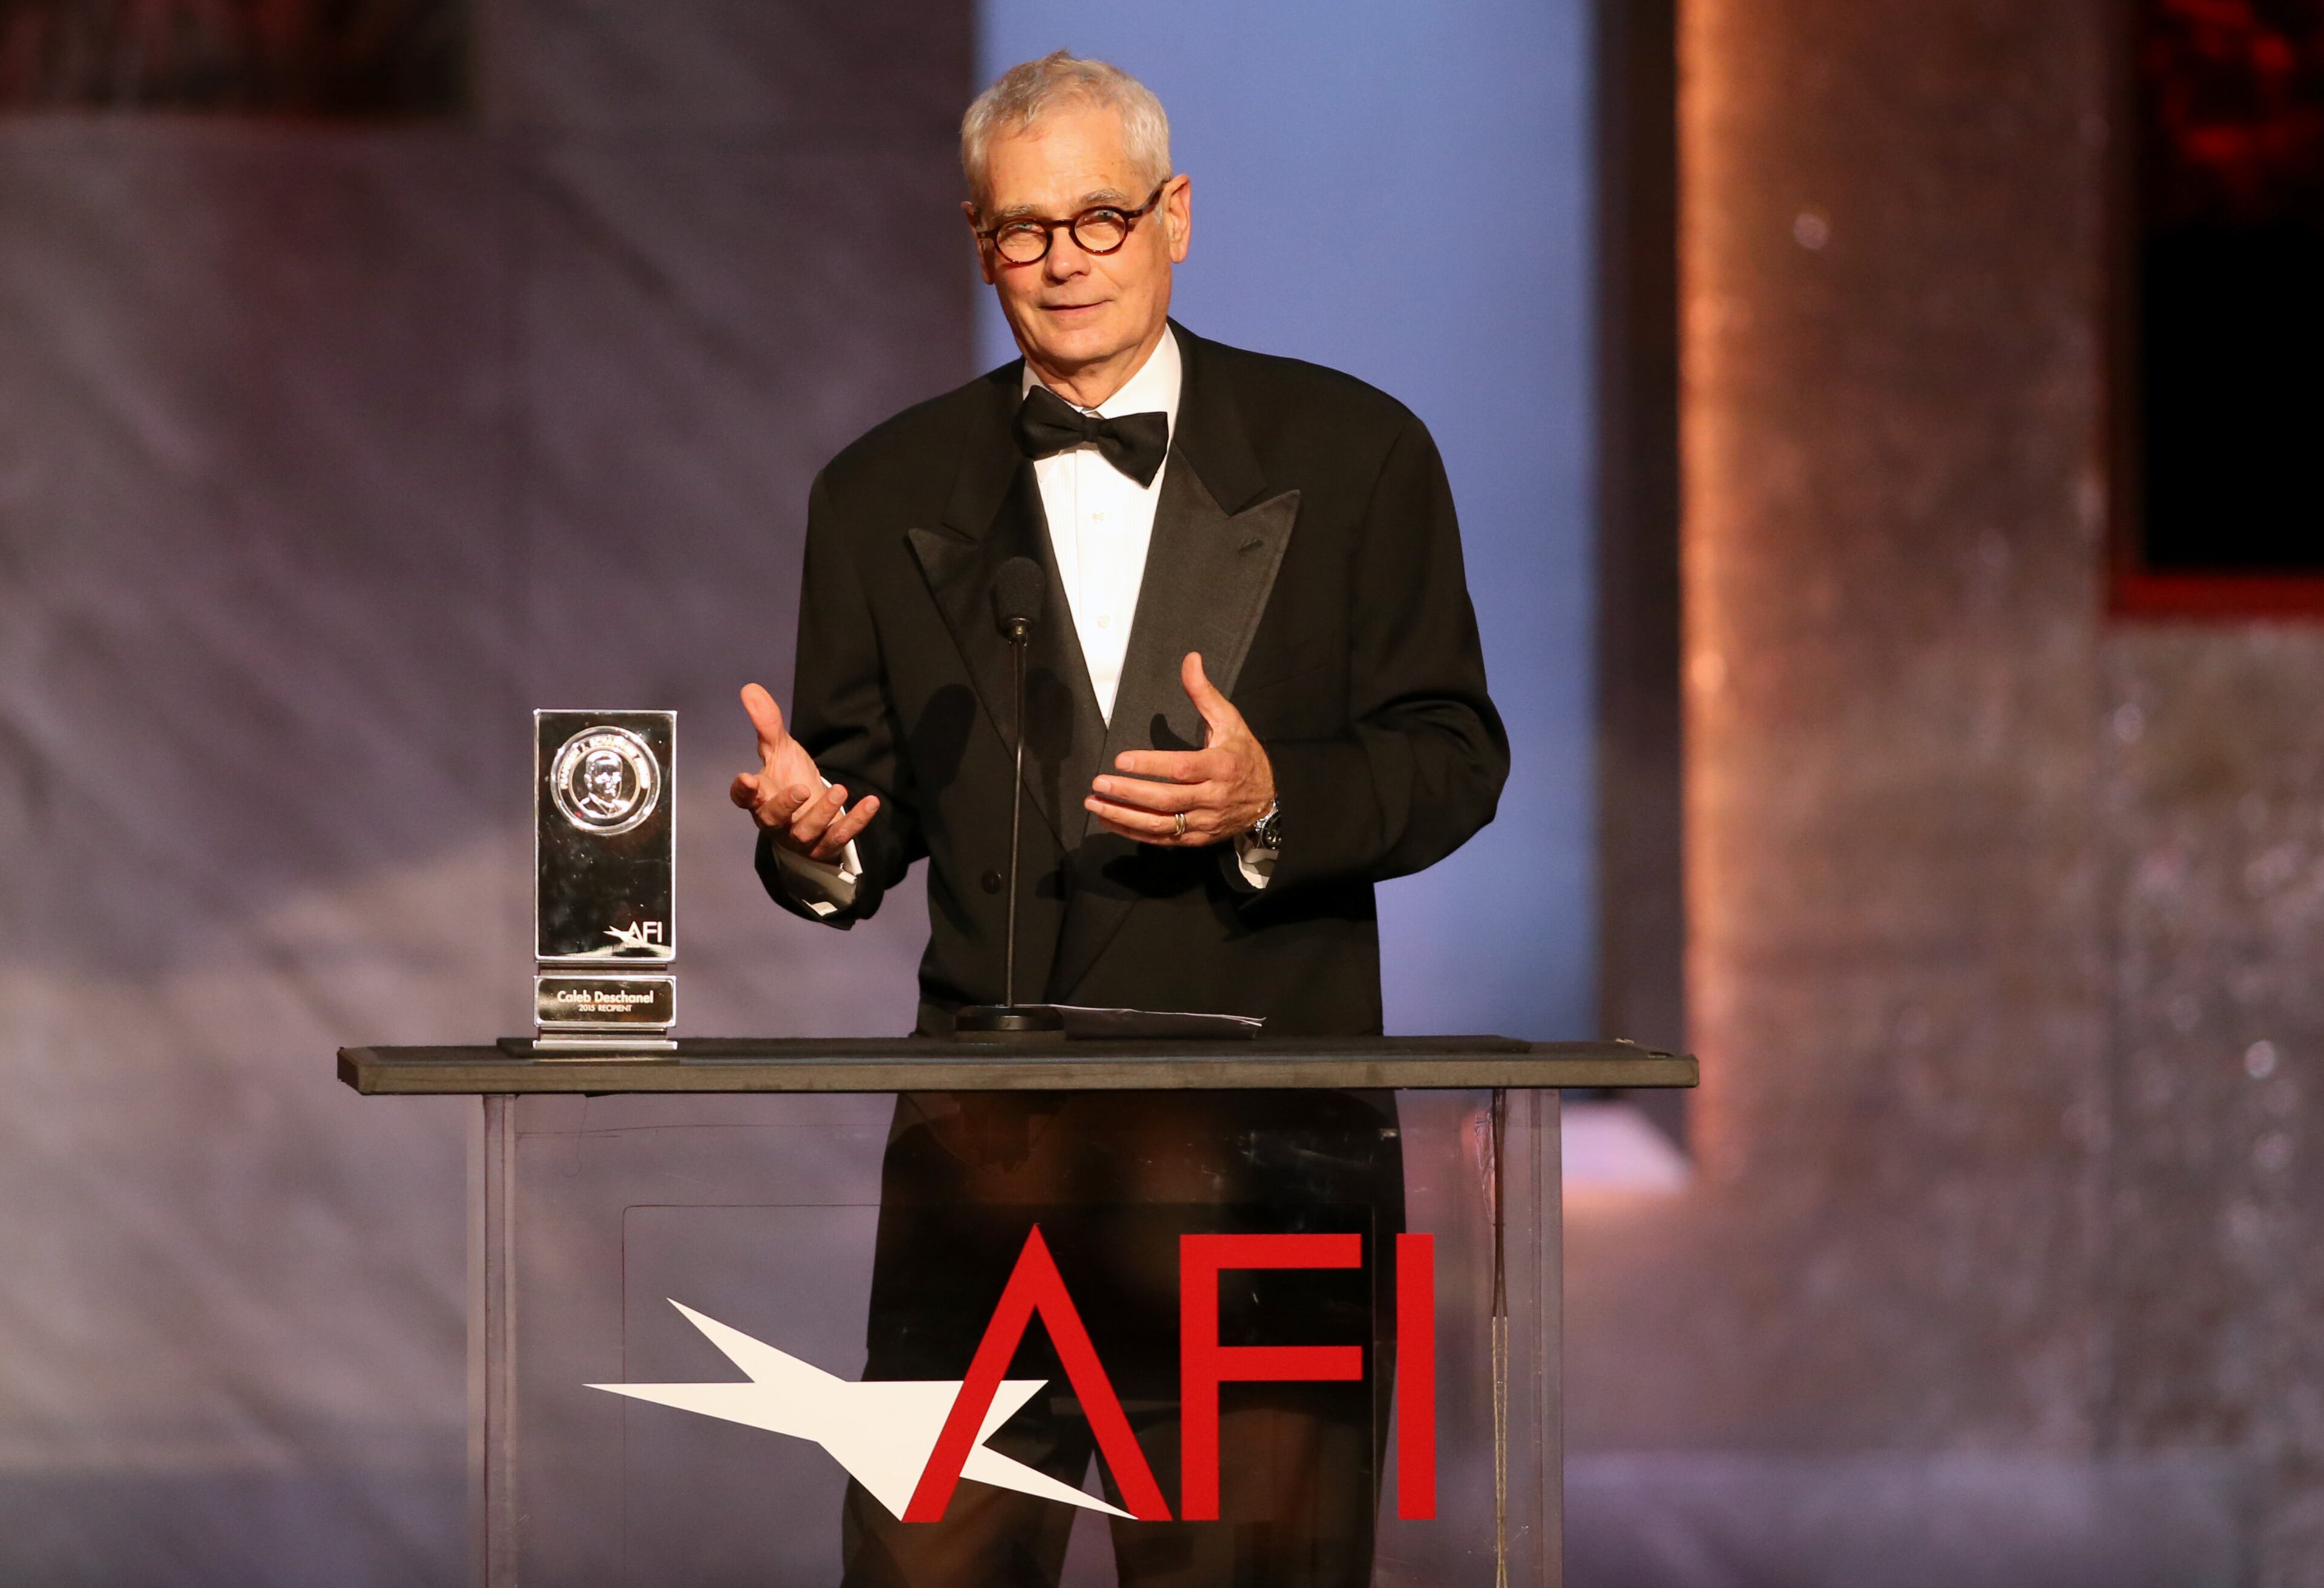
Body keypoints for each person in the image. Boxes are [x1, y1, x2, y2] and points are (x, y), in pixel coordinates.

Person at [729, 50, 1507, 1588]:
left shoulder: (1357, 456)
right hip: (988, 1168)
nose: (1064, 259)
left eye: (1101, 217)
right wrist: (817, 837)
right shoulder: (880, 488)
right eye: (1025, 229)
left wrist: (1275, 794)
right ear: (978, 241)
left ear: (1177, 218)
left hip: (1268, 1160)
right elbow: (859, 807)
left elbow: (1452, 752)